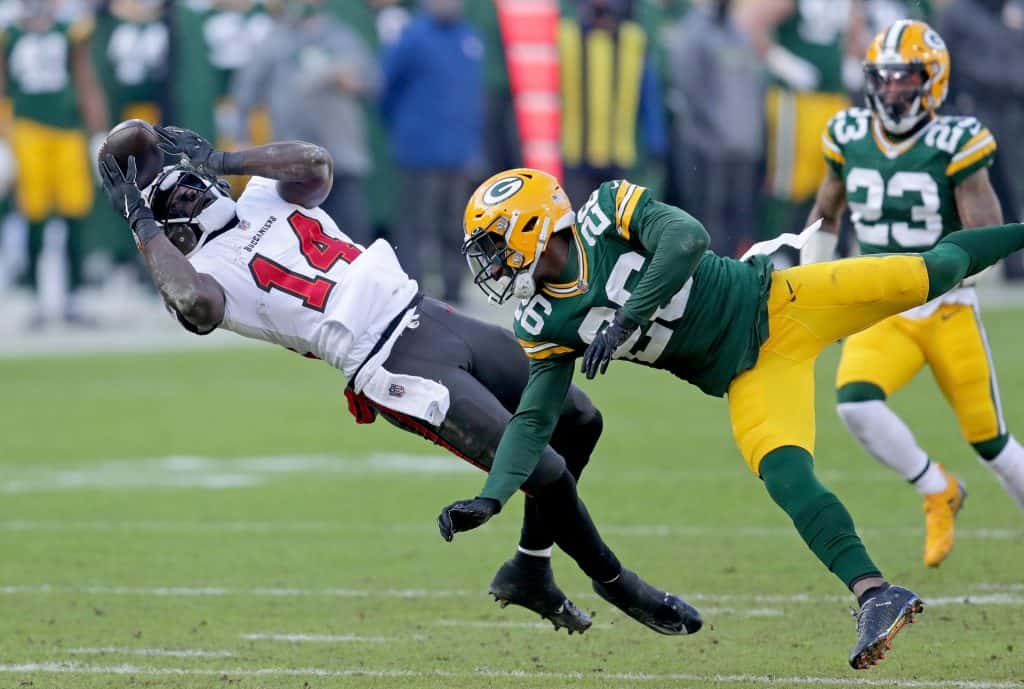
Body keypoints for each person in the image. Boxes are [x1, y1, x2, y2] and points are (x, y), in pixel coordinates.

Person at [95, 121, 702, 639]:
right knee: (543, 470)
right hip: (389, 364)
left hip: (427, 313)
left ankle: (531, 568)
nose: (195, 195)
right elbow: (191, 304)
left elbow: (315, 163)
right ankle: (620, 585)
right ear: (167, 230)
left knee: (578, 419)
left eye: (193, 184)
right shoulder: (199, 270)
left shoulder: (260, 198)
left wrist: (222, 158)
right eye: (177, 201)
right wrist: (140, 223)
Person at [444, 165, 1024, 669]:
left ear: (534, 230)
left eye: (496, 245)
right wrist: (492, 497)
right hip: (749, 375)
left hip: (783, 305)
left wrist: (629, 317)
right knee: (785, 474)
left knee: (932, 272)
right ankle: (876, 594)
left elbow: (686, 238)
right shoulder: (542, 321)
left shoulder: (605, 210)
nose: (491, 264)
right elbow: (533, 422)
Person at [803, 20, 1024, 568]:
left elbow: (985, 239)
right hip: (884, 309)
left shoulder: (957, 141)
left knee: (992, 444)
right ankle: (936, 487)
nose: (894, 90)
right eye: (885, 79)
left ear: (934, 81)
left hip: (947, 308)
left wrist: (946, 270)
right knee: (855, 403)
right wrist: (812, 288)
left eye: (906, 79)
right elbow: (825, 217)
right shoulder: (848, 134)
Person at [0, 0, 109, 327]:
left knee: (75, 211)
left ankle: (73, 297)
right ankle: (35, 297)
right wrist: (3, 139)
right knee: (34, 213)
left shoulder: (70, 31)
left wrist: (97, 133)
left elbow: (85, 82)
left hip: (67, 131)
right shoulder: (10, 33)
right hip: (27, 130)